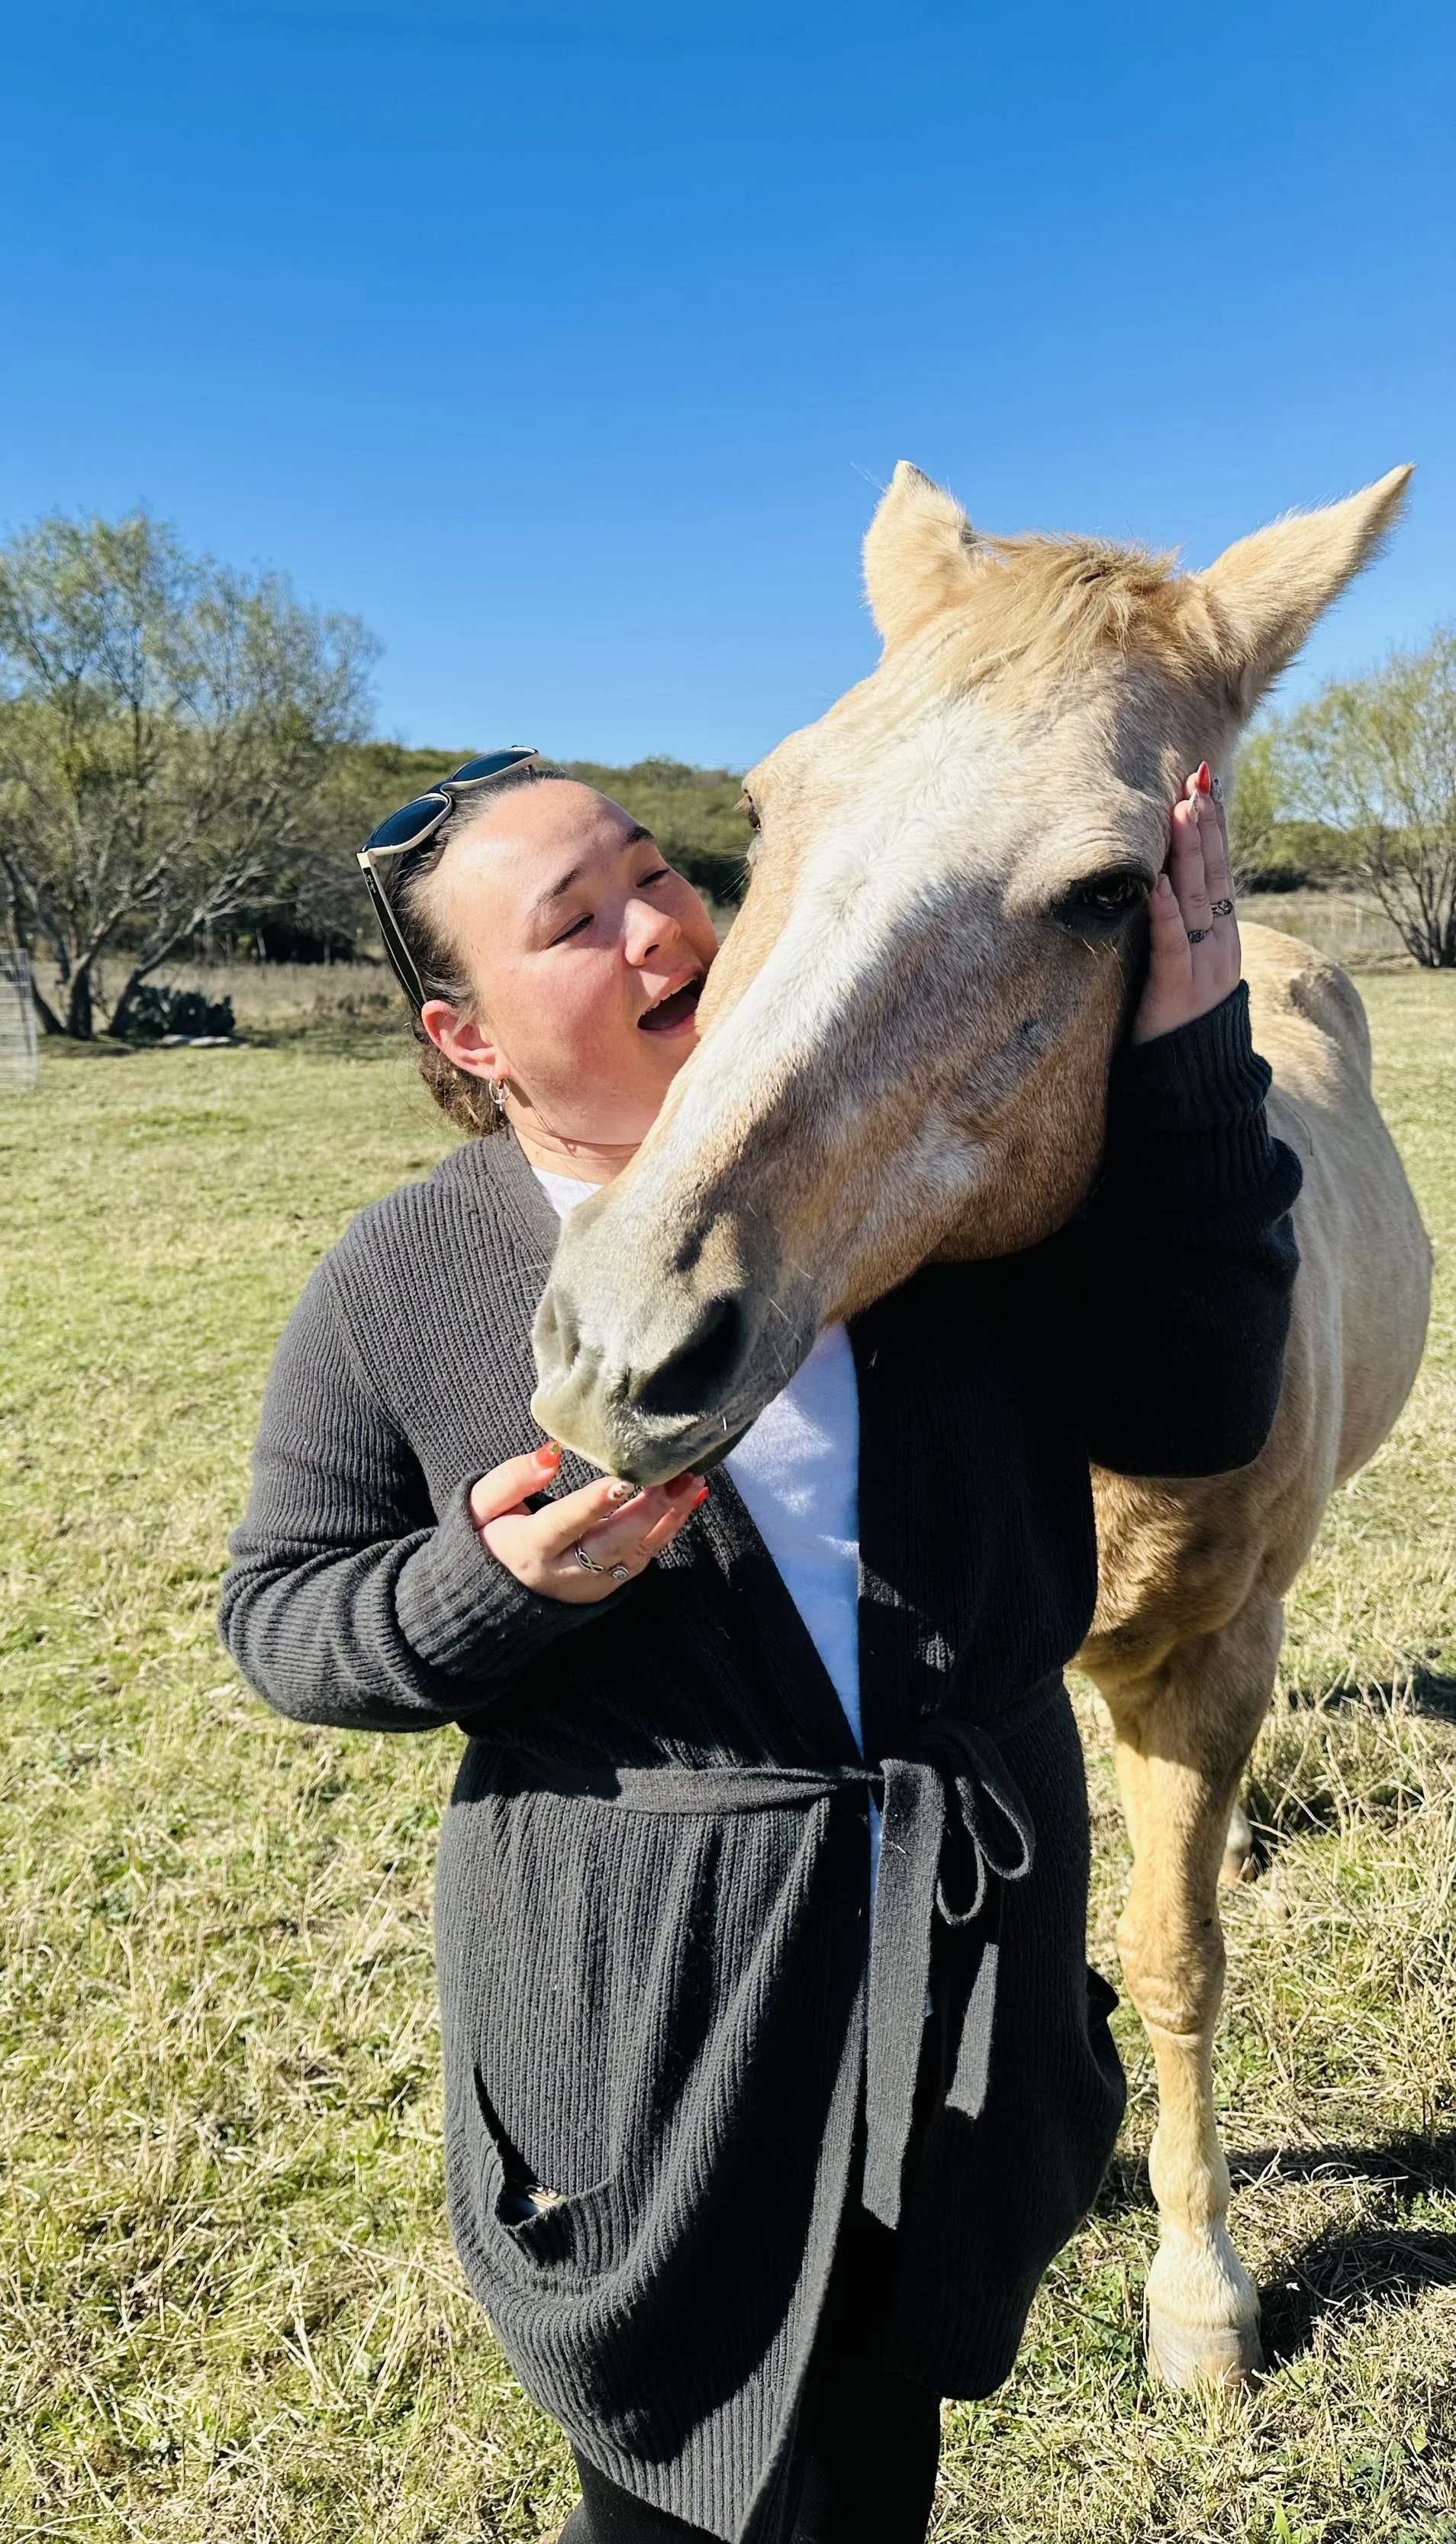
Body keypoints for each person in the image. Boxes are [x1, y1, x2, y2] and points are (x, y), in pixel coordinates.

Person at [220, 750, 1300, 2542]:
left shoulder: (918, 1186)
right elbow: (282, 1619)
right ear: (467, 1034)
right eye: (573, 921)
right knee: (673, 2495)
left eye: (657, 869)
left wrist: (1184, 1054)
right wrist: (490, 1585)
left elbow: (1193, 1403)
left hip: (953, 1974)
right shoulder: (406, 1278)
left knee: (873, 2462)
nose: (661, 923)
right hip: (649, 2017)